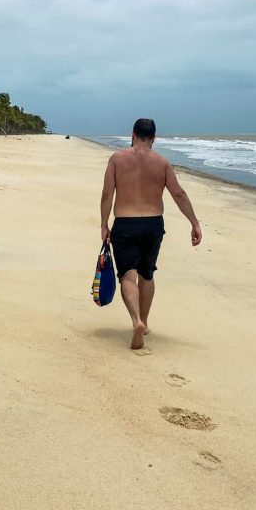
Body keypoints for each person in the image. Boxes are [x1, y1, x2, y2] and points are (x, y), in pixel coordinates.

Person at [99, 118, 202, 349]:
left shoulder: (117, 159)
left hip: (125, 223)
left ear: (132, 134)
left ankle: (135, 320)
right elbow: (179, 194)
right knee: (147, 274)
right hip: (153, 224)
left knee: (127, 275)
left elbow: (108, 194)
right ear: (154, 138)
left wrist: (104, 223)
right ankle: (144, 322)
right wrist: (194, 222)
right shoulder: (162, 163)